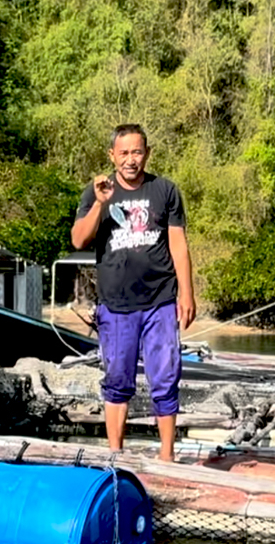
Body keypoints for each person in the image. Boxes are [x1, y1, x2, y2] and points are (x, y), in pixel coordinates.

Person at [71, 124, 195, 462]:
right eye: (123, 153)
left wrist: (187, 294)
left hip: (160, 301)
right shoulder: (94, 192)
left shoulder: (165, 190)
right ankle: (115, 456)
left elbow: (178, 244)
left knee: (166, 377)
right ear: (112, 155)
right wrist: (99, 203)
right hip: (116, 305)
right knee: (117, 379)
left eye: (136, 152)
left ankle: (167, 457)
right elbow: (79, 240)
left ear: (147, 153)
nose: (131, 160)